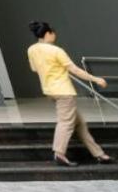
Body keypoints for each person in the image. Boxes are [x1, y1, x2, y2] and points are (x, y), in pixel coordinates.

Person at [27, 20, 112, 167]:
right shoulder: (56, 51)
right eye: (53, 32)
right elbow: (75, 70)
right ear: (48, 34)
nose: (55, 35)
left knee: (79, 124)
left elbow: (34, 68)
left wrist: (52, 68)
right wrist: (96, 79)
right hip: (64, 91)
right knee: (66, 122)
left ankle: (99, 154)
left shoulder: (31, 49)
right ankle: (59, 153)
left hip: (50, 91)